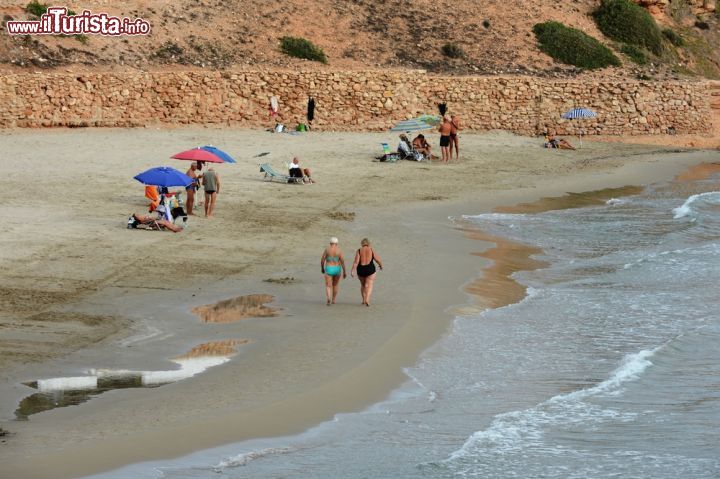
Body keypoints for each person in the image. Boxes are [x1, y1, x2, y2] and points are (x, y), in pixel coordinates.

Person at [351, 238, 384, 307]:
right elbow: (377, 259)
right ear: (369, 243)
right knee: (370, 284)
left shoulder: (359, 250)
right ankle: (367, 299)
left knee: (363, 285)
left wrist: (352, 271)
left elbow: (356, 262)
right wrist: (381, 265)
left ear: (362, 243)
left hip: (361, 269)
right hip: (370, 269)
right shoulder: (371, 249)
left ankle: (363, 300)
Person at [321, 237, 346, 305]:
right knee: (335, 285)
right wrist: (344, 272)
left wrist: (322, 268)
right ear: (337, 243)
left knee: (328, 286)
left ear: (330, 243)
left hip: (329, 268)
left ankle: (328, 298)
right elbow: (342, 261)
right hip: (337, 268)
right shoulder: (339, 250)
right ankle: (334, 300)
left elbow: (322, 260)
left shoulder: (327, 249)